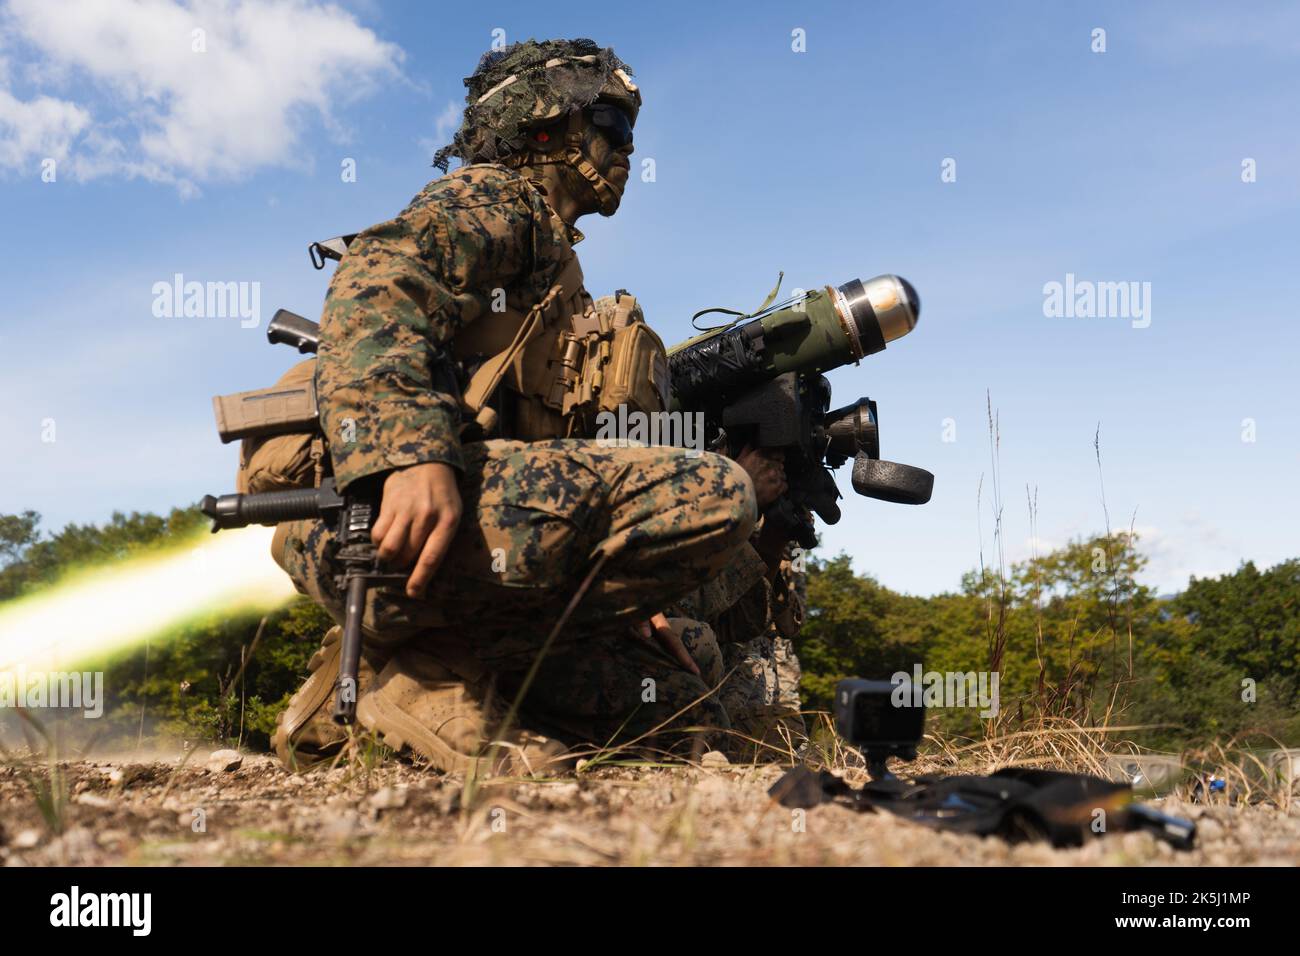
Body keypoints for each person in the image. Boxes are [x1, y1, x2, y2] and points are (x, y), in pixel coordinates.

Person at [269, 38, 763, 773]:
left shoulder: (560, 278)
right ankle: (426, 677)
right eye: (611, 125)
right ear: (545, 125)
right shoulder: (498, 199)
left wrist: (627, 592)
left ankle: (366, 698)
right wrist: (409, 454)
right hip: (376, 530)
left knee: (689, 682)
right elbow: (377, 278)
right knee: (720, 495)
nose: (626, 150)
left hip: (456, 548)